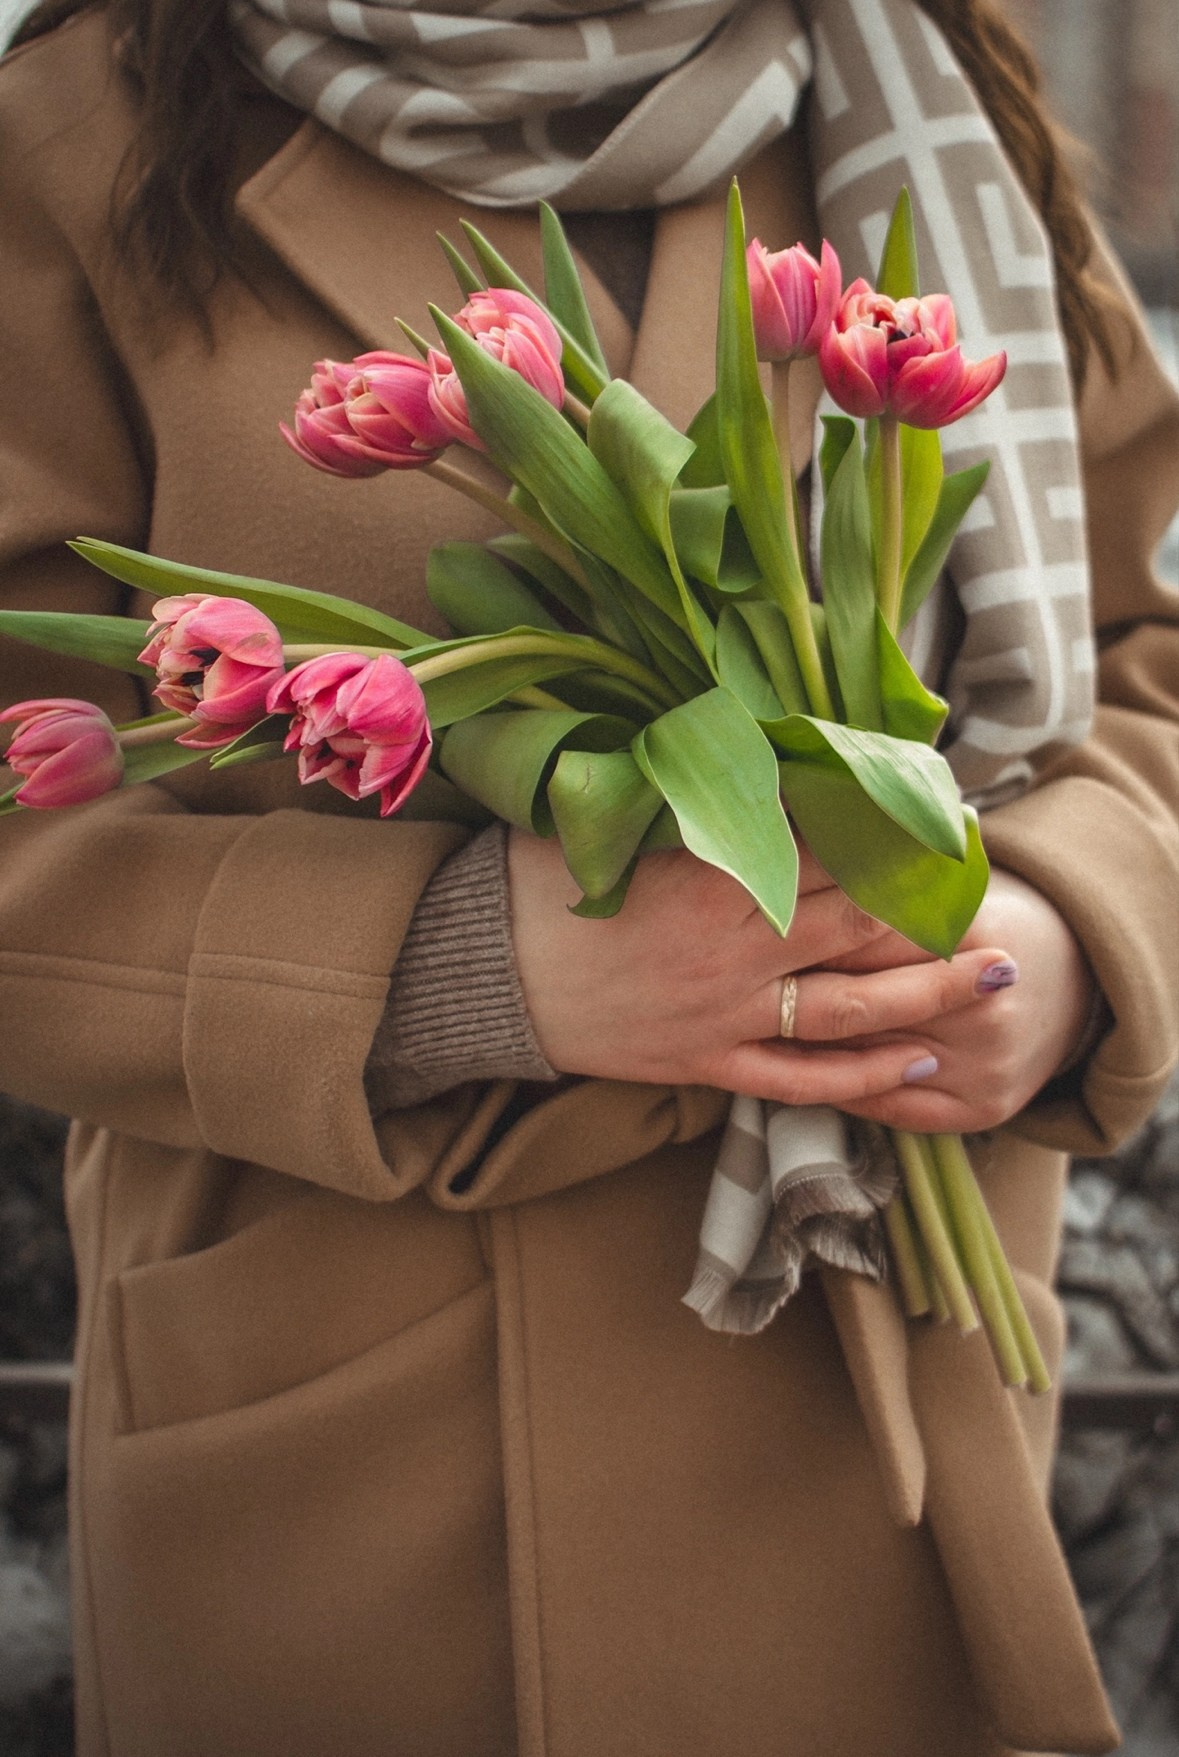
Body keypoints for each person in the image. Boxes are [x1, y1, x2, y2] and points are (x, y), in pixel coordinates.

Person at [0, 0, 1175, 1752]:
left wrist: (1061, 936)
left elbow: (1141, 653)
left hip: (889, 1395)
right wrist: (463, 964)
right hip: (358, 1469)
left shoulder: (916, 82)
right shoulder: (87, 121)